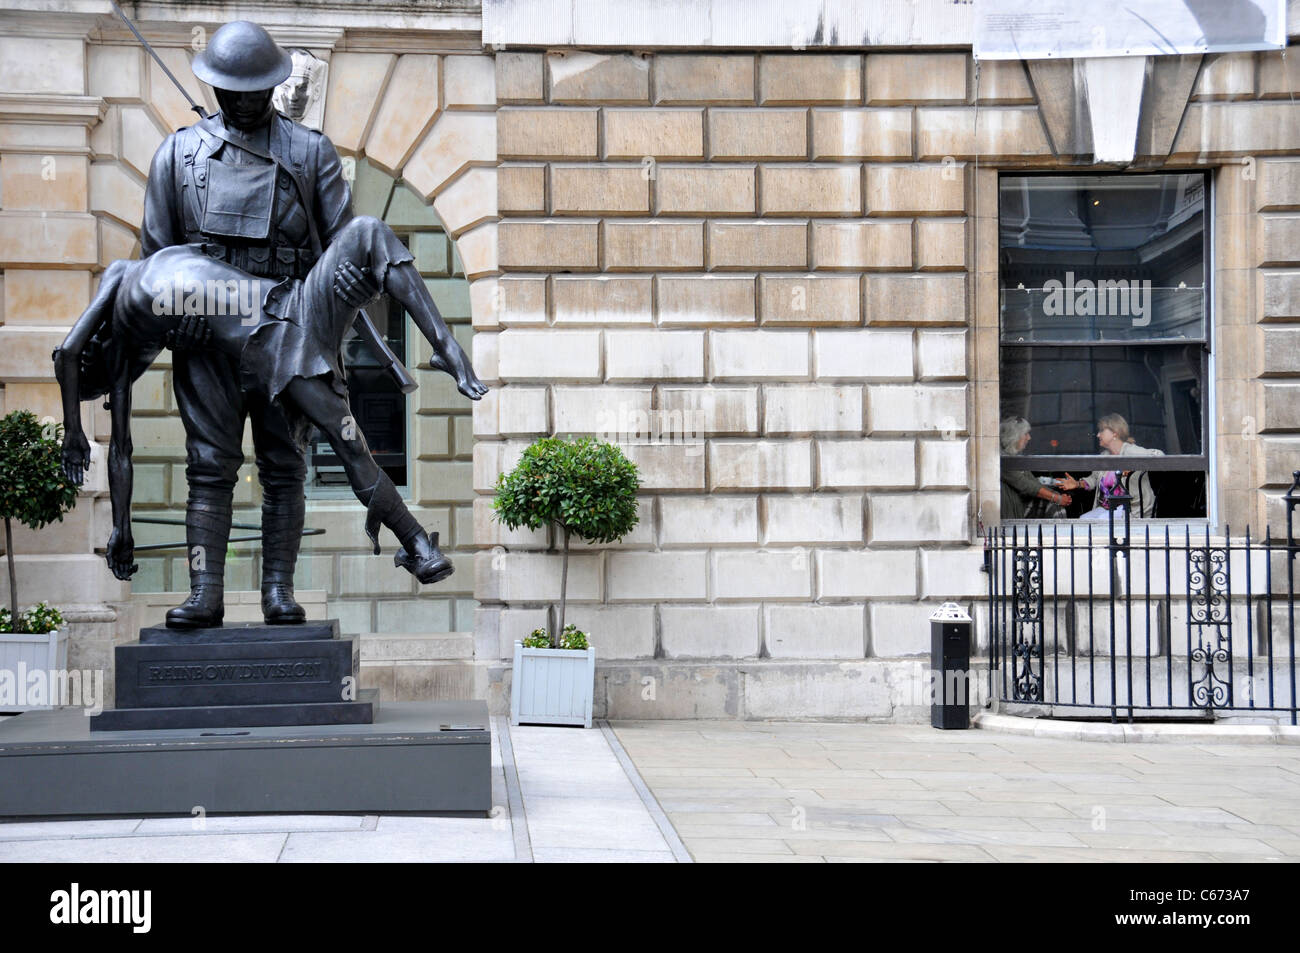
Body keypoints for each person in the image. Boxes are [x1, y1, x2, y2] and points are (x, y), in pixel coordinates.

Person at [54, 215, 487, 591]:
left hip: (288, 300)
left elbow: (68, 356)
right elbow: (114, 439)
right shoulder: (127, 320)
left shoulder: (122, 296)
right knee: (348, 439)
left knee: (368, 232)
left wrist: (75, 433)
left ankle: (445, 346)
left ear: (100, 351)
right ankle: (416, 544)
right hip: (275, 343)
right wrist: (120, 527)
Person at [137, 21, 389, 628]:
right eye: (233, 91)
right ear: (215, 87)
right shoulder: (176, 155)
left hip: (286, 334)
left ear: (273, 87)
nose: (244, 101)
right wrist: (176, 321)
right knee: (208, 467)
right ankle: (206, 593)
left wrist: (353, 288)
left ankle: (278, 589)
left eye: (255, 90)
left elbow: (342, 250)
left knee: (284, 465)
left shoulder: (310, 152)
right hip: (206, 341)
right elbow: (155, 261)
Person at [1058, 413, 1165, 518]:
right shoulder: (1104, 456)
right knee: (1084, 520)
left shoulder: (1131, 450)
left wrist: (1133, 465)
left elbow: (1159, 455)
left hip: (1132, 510)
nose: (1098, 435)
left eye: (1101, 431)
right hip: (1108, 508)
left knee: (1099, 524)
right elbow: (1094, 480)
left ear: (1115, 433)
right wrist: (1077, 484)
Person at [999, 416, 1072, 519]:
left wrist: (1056, 494)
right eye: (1026, 434)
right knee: (1055, 505)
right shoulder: (1003, 460)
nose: (1029, 438)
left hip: (1020, 506)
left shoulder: (1013, 456)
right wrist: (1057, 498)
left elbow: (1032, 481)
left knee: (1054, 506)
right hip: (1011, 513)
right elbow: (1027, 485)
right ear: (1015, 436)